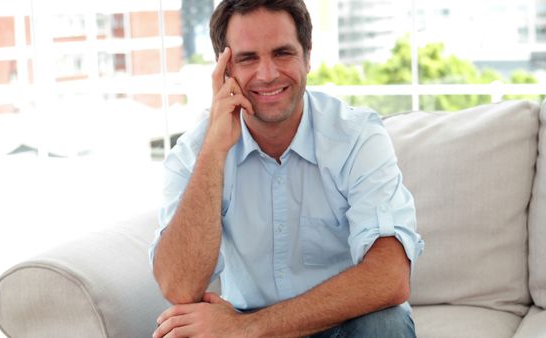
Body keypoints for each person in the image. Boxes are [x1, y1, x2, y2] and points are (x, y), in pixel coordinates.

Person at [149, 0, 424, 337]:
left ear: (307, 56)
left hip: (339, 323)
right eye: (248, 58)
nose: (267, 74)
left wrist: (248, 328)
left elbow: (390, 277)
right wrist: (214, 151)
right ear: (224, 69)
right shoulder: (194, 153)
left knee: (387, 323)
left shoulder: (356, 137)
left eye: (282, 53)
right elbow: (179, 287)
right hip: (242, 323)